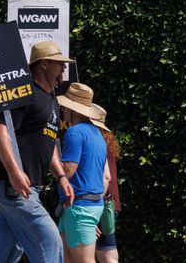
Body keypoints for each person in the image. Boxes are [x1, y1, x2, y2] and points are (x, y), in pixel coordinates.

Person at [0, 39, 75, 263]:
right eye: (58, 63)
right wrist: (14, 173)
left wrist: (61, 175)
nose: (64, 68)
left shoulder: (52, 100)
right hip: (10, 184)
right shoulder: (24, 94)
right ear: (43, 64)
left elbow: (49, 141)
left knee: (7, 249)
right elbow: (0, 132)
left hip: (27, 186)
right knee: (49, 240)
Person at [57, 83, 110, 263]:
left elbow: (68, 170)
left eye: (64, 107)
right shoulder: (98, 135)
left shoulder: (74, 132)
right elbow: (103, 177)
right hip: (85, 206)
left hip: (79, 207)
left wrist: (51, 159)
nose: (62, 110)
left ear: (72, 109)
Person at [92, 105, 121, 263]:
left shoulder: (94, 142)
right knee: (108, 252)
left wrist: (92, 213)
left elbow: (104, 178)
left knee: (104, 255)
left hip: (100, 202)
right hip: (111, 203)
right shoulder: (106, 140)